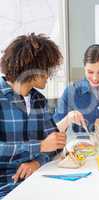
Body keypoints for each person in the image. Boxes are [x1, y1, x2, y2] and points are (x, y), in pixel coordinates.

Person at [0, 33, 66, 198]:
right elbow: (45, 145)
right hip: (5, 186)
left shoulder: (38, 100)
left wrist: (37, 162)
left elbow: (55, 145)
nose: (50, 75)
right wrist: (40, 146)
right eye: (47, 68)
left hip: (36, 181)